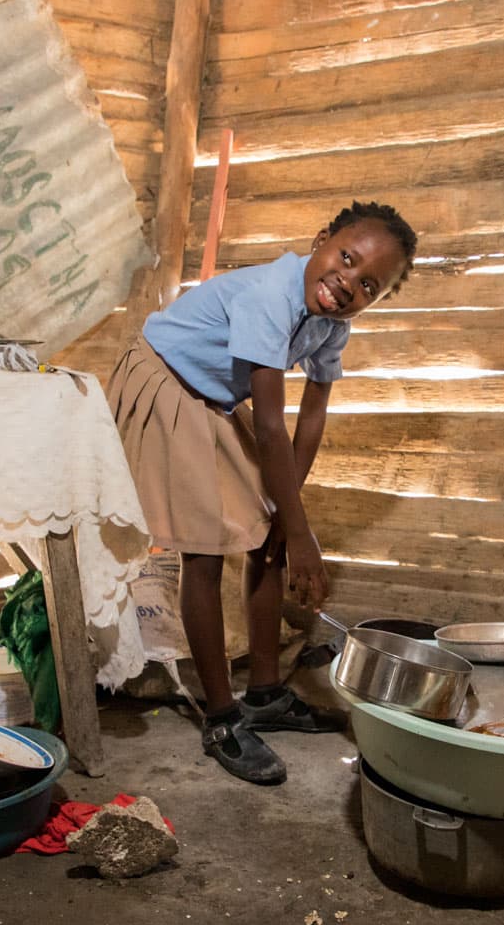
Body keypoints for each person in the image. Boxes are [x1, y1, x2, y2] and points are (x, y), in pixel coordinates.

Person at [108, 201, 418, 784]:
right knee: (203, 549)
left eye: (367, 285)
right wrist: (301, 534)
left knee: (265, 536)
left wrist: (286, 517)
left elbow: (313, 416)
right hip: (167, 382)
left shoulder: (332, 323)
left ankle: (266, 694)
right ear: (321, 239)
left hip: (214, 397)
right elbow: (272, 424)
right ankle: (223, 720)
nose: (347, 284)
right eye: (345, 259)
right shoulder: (268, 298)